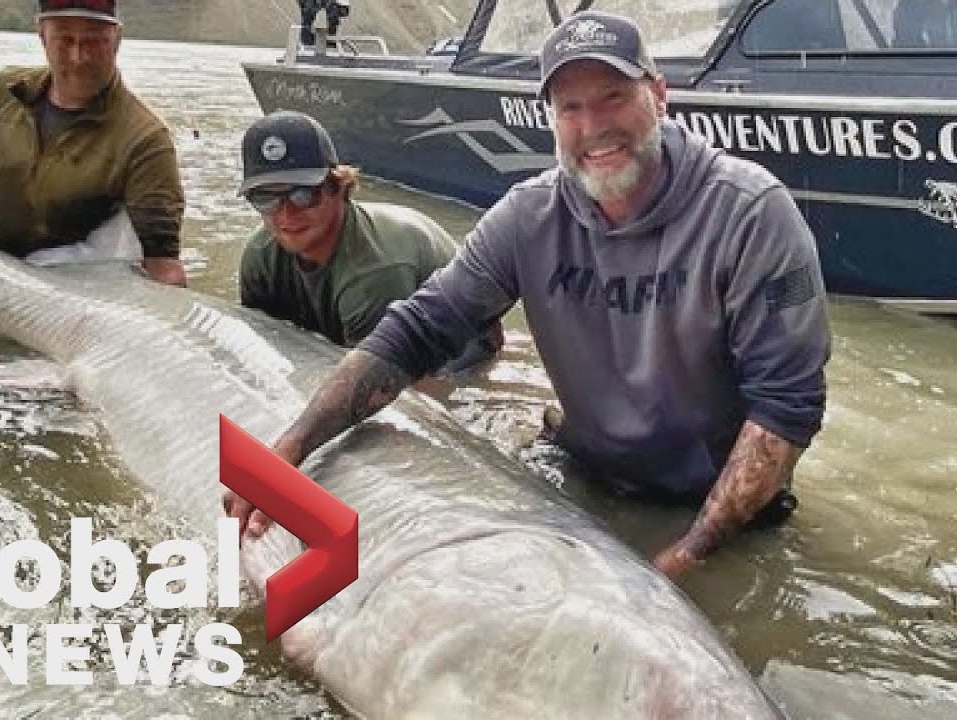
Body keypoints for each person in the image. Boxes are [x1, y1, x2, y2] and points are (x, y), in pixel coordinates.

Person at [225, 11, 830, 580]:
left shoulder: (752, 213)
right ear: (550, 118)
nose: (593, 126)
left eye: (613, 97)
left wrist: (685, 559)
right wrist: (291, 448)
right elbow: (417, 330)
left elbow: (785, 406)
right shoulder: (528, 216)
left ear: (659, 93)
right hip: (581, 476)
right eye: (570, 107)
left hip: (721, 512)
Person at [0, 0, 187, 286]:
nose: (78, 57)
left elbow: (162, 266)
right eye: (64, 40)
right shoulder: (1, 93)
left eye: (93, 42)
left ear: (117, 39)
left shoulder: (147, 140)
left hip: (77, 298)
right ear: (42, 35)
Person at [236, 110, 502, 367]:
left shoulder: (376, 270)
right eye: (265, 198)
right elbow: (261, 348)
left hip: (459, 348)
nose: (286, 213)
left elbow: (376, 383)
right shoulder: (259, 256)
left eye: (303, 195)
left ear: (339, 187)